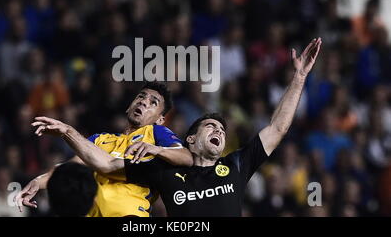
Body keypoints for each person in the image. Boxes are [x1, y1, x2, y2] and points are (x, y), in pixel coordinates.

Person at [32, 38, 322, 216]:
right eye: (210, 126)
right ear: (191, 139)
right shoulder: (165, 172)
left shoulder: (236, 165)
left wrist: (298, 79)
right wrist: (66, 137)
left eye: (221, 129)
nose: (219, 130)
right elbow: (105, 164)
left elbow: (277, 128)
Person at [16, 81, 192, 217]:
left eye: (153, 102)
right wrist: (37, 182)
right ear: (129, 106)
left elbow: (185, 156)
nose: (144, 102)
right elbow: (71, 169)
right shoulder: (100, 139)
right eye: (141, 97)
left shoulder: (156, 133)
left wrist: (156, 150)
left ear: (160, 119)